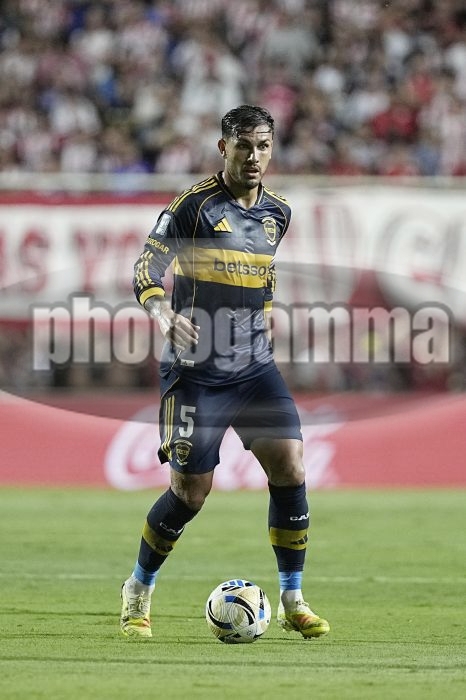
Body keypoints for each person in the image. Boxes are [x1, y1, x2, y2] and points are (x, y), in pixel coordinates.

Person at [121, 104, 330, 640]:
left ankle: (292, 599)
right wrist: (162, 313)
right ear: (224, 148)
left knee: (290, 467)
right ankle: (138, 588)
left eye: (263, 146)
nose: (254, 156)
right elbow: (146, 265)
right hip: (196, 372)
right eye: (244, 146)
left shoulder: (278, 213)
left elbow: (265, 276)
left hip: (255, 366)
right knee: (190, 493)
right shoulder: (192, 207)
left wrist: (266, 320)